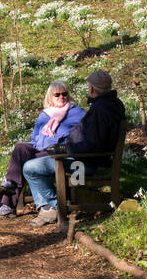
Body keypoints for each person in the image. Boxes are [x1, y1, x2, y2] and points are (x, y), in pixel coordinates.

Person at [21, 69, 125, 227]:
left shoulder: (101, 110)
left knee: (30, 168)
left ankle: (51, 208)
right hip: (85, 159)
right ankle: (51, 205)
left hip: (83, 166)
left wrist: (65, 150)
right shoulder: (110, 105)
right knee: (34, 159)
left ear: (92, 88)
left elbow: (94, 146)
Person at [0, 81, 85, 218]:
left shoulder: (76, 112)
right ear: (50, 97)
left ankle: (8, 205)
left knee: (23, 164)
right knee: (20, 148)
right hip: (40, 148)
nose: (61, 97)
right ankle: (10, 183)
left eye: (64, 94)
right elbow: (35, 138)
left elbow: (82, 134)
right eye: (57, 94)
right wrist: (32, 145)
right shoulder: (45, 115)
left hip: (58, 151)